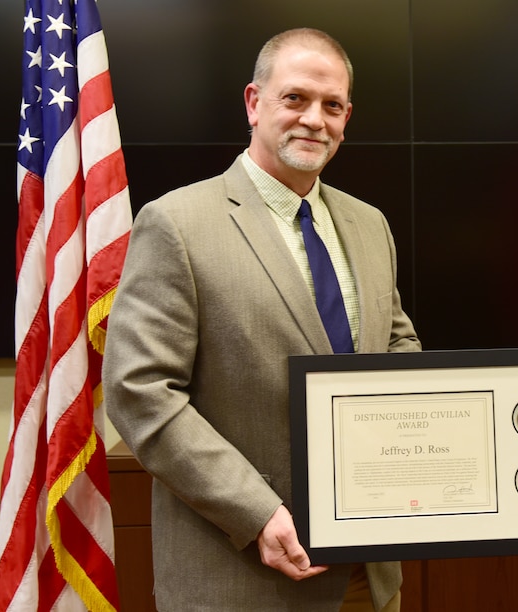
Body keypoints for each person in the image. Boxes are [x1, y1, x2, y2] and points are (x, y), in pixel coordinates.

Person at [102, 28, 420, 611]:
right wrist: (255, 511)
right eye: (294, 98)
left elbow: (396, 347)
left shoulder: (369, 224)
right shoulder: (177, 223)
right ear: (254, 103)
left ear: (347, 116)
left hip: (368, 576)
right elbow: (140, 391)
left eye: (332, 106)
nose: (314, 120)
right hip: (241, 574)